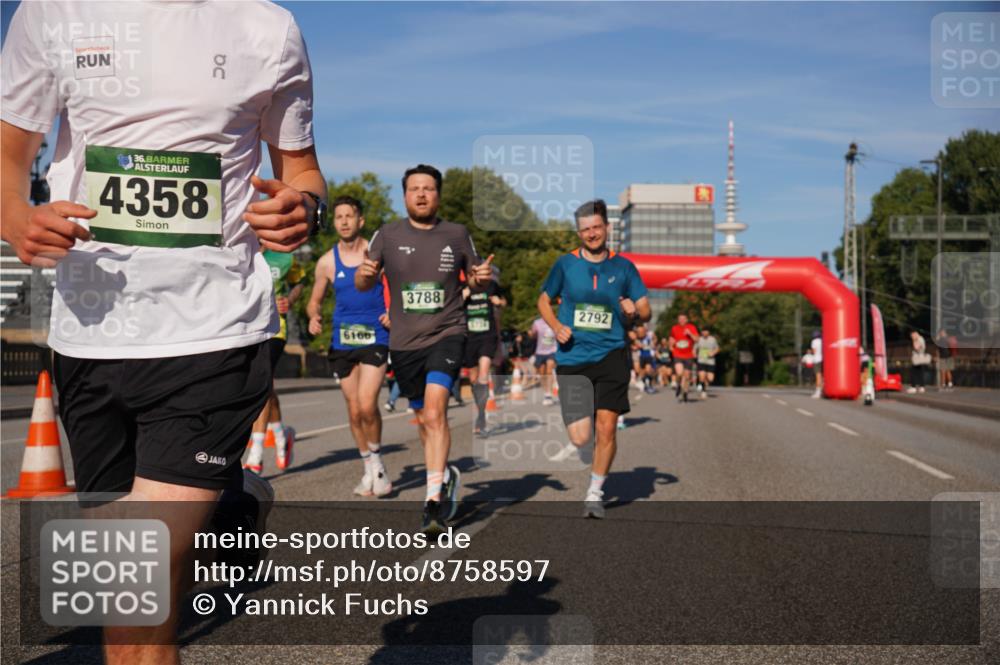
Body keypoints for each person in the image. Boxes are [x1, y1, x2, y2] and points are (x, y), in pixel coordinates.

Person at [0, 2, 325, 661]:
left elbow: (302, 168)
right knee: (128, 605)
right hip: (92, 333)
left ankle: (219, 505)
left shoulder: (267, 29)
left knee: (140, 563)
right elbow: (9, 154)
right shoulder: (52, 12)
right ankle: (231, 508)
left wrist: (305, 209)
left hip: (216, 329)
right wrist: (15, 217)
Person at [356, 164, 494, 534]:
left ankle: (433, 500)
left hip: (447, 332)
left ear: (438, 195)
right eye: (414, 188)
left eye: (428, 188)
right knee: (422, 418)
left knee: (435, 411)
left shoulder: (457, 234)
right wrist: (366, 275)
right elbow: (363, 278)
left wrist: (481, 279)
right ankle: (444, 472)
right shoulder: (386, 234)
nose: (421, 194)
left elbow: (480, 279)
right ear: (404, 195)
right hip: (403, 342)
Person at [538, 199, 651, 519]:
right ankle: (589, 455)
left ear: (607, 228)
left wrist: (635, 311)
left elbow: (646, 311)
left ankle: (594, 492)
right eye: (585, 229)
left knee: (607, 429)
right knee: (581, 437)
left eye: (596, 227)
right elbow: (543, 300)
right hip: (574, 357)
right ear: (579, 232)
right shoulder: (565, 264)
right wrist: (557, 326)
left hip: (612, 354)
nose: (591, 234)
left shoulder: (624, 267)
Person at [306, 195, 392, 497]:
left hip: (375, 336)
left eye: (349, 216)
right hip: (342, 340)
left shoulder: (378, 254)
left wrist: (393, 312)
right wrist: (313, 315)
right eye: (339, 216)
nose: (343, 221)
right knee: (354, 410)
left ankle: (379, 465)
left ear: (361, 221)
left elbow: (397, 287)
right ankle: (368, 467)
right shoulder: (327, 261)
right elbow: (314, 300)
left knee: (368, 403)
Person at [243, 248, 305, 474]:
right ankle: (281, 435)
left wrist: (289, 299)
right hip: (243, 328)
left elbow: (300, 282)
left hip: (273, 329)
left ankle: (255, 456)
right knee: (266, 387)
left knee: (261, 385)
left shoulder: (285, 257)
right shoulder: (236, 248)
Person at [462, 269, 506, 435]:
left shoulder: (492, 285)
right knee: (473, 379)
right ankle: (480, 412)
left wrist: (499, 302)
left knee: (483, 376)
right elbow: (449, 307)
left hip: (488, 335)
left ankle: (481, 417)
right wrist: (462, 297)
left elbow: (504, 302)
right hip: (469, 337)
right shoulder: (462, 287)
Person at [669, 314, 699, 402]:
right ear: (678, 320)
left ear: (687, 319)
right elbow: (671, 338)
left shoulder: (691, 327)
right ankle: (679, 385)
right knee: (679, 373)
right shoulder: (674, 328)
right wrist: (671, 345)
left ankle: (685, 391)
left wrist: (690, 334)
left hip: (688, 355)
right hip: (677, 354)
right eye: (680, 319)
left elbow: (697, 339)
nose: (681, 320)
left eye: (683, 319)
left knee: (686, 376)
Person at [530, 315, 559, 405]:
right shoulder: (537, 323)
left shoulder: (555, 321)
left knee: (549, 369)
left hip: (552, 350)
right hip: (540, 351)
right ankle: (546, 392)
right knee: (542, 374)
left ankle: (549, 394)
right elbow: (533, 335)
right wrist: (532, 334)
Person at [694, 327, 719, 399]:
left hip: (710, 361)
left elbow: (717, 348)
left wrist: (713, 353)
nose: (705, 333)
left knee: (710, 378)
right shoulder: (699, 339)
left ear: (709, 332)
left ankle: (701, 384)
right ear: (701, 332)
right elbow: (694, 349)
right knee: (702, 376)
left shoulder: (713, 339)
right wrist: (695, 354)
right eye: (703, 331)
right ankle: (703, 391)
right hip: (701, 360)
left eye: (706, 331)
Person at [635, 324, 658, 394]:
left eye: (643, 329)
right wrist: (638, 345)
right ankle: (644, 383)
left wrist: (653, 343)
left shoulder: (650, 334)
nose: (642, 331)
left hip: (648, 356)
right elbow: (635, 341)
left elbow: (655, 339)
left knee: (648, 370)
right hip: (641, 356)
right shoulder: (638, 335)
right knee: (641, 371)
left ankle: (649, 384)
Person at [810, 329, 824, 398]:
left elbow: (814, 351)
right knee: (823, 376)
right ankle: (823, 390)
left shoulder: (814, 341)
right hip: (823, 359)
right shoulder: (822, 341)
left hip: (816, 359)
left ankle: (818, 392)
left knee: (818, 376)